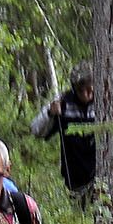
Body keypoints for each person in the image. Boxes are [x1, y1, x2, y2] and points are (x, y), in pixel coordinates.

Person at [31, 63, 97, 203]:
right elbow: (36, 129)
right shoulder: (63, 102)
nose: (87, 94)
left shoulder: (104, 102)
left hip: (100, 174)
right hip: (74, 177)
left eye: (90, 89)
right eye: (82, 90)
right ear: (74, 89)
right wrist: (50, 113)